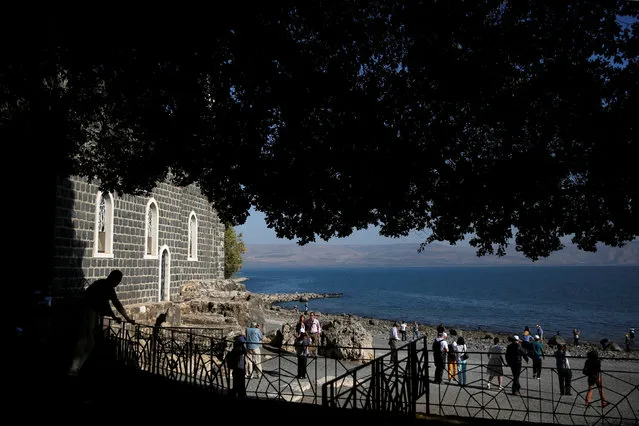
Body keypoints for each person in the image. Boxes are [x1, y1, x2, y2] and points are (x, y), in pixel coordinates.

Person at [67, 270, 135, 376]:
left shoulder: (99, 283)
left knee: (85, 340)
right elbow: (115, 303)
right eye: (118, 280)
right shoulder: (107, 288)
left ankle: (75, 368)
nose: (118, 283)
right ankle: (74, 368)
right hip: (89, 312)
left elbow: (107, 304)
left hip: (84, 311)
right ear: (114, 279)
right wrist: (126, 318)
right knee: (86, 341)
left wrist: (115, 316)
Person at [227, 335, 247, 399]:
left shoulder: (236, 347)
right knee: (241, 383)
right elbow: (245, 351)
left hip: (237, 367)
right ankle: (240, 395)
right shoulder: (241, 347)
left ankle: (235, 393)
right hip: (240, 367)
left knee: (236, 382)